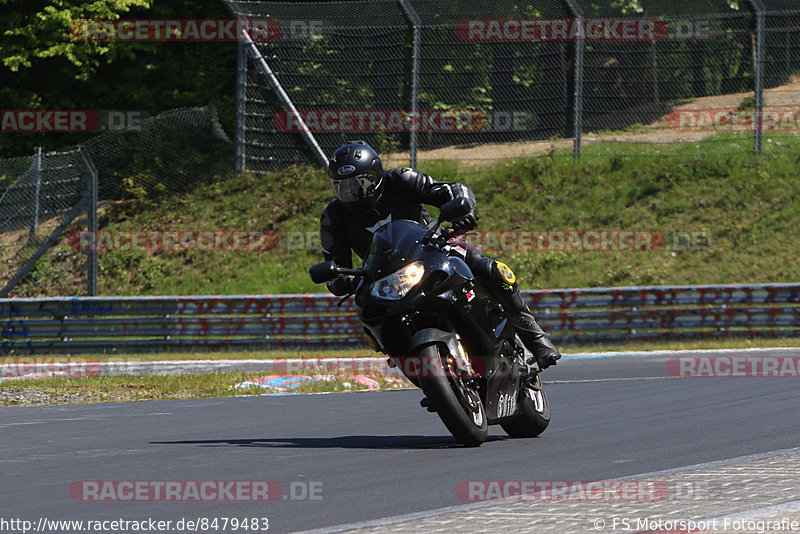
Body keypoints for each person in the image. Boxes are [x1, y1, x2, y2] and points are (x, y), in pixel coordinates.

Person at [318, 140, 561, 370]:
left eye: (359, 184)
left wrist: (462, 206)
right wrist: (340, 279)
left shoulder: (401, 180)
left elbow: (448, 190)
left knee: (489, 269)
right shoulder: (333, 217)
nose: (351, 193)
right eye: (342, 187)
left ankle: (535, 337)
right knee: (371, 316)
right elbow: (335, 263)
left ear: (376, 176)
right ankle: (416, 367)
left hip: (435, 247)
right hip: (385, 275)